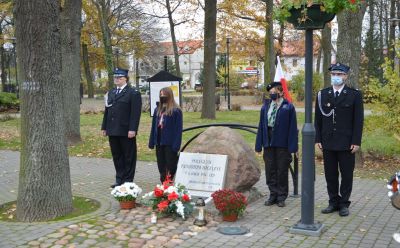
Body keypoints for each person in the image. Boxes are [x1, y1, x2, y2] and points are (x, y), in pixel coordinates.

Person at [315, 62, 364, 217]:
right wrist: (318, 139)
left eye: (339, 74)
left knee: (346, 175)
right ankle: (333, 202)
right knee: (330, 174)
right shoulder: (323, 94)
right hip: (328, 141)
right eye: (334, 74)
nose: (336, 77)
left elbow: (358, 120)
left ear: (345, 76)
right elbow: (318, 119)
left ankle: (344, 204)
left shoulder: (354, 95)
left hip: (346, 143)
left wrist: (356, 141)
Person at [255, 82, 298, 207]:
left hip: (282, 143)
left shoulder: (288, 107)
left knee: (282, 170)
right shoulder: (265, 107)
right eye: (271, 92)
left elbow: (292, 128)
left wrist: (293, 147)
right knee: (270, 169)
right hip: (268, 142)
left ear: (281, 92)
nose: (272, 94)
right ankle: (273, 194)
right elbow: (261, 126)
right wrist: (259, 145)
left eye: (275, 92)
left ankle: (281, 196)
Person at [101, 68, 142, 188]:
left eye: (120, 77)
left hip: (126, 130)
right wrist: (104, 127)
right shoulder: (111, 92)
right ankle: (119, 178)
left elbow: (135, 113)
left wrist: (133, 129)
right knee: (117, 155)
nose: (117, 79)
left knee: (129, 156)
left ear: (126, 79)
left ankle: (128, 180)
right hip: (112, 129)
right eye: (115, 77)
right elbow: (107, 111)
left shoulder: (133, 93)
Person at [149, 87, 183, 183]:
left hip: (170, 142)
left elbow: (178, 129)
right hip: (159, 141)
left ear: (169, 95)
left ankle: (169, 181)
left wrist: (176, 145)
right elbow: (154, 126)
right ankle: (163, 182)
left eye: (164, 94)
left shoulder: (176, 110)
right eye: (160, 94)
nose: (162, 96)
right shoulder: (157, 109)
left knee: (171, 164)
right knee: (161, 164)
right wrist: (152, 141)